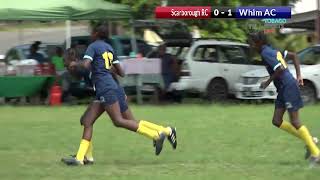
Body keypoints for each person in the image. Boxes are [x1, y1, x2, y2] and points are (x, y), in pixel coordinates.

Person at [61, 25, 177, 166]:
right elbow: (120, 73)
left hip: (107, 90)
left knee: (118, 121)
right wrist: (119, 89)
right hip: (112, 89)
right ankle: (166, 130)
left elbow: (85, 66)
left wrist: (75, 63)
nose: (67, 68)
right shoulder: (109, 48)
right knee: (87, 120)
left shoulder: (93, 48)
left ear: (96, 33)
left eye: (66, 65)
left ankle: (156, 135)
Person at [248, 31, 320, 166]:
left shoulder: (265, 53)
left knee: (295, 121)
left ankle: (316, 154)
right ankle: (310, 140)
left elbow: (280, 68)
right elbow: (294, 56)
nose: (250, 45)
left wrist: (267, 82)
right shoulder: (273, 50)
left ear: (258, 43)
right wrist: (299, 76)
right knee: (276, 120)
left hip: (287, 86)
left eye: (251, 43)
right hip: (283, 88)